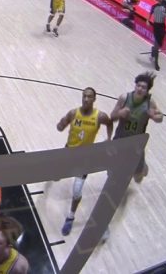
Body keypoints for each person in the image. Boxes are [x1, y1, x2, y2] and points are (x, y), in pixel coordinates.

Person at [56, 87, 113, 236]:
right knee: (56, 172)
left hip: (85, 159)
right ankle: (58, 172)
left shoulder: (100, 116)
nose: (86, 99)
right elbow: (60, 126)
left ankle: (70, 217)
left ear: (94, 99)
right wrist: (61, 124)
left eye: (89, 97)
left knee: (76, 191)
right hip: (68, 152)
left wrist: (109, 138)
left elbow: (109, 123)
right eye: (84, 96)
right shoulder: (73, 113)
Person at [110, 72, 163, 184]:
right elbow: (112, 117)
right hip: (120, 139)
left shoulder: (150, 102)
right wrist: (120, 113)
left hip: (136, 144)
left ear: (147, 90)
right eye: (138, 85)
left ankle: (142, 167)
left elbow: (159, 118)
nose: (139, 89)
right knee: (112, 171)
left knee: (138, 178)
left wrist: (156, 117)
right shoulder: (124, 98)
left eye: (143, 87)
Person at [148, 0, 166, 71]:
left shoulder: (165, 7)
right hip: (156, 26)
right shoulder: (154, 6)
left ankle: (153, 49)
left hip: (162, 27)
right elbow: (150, 14)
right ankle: (156, 62)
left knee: (159, 44)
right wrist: (147, 20)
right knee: (157, 45)